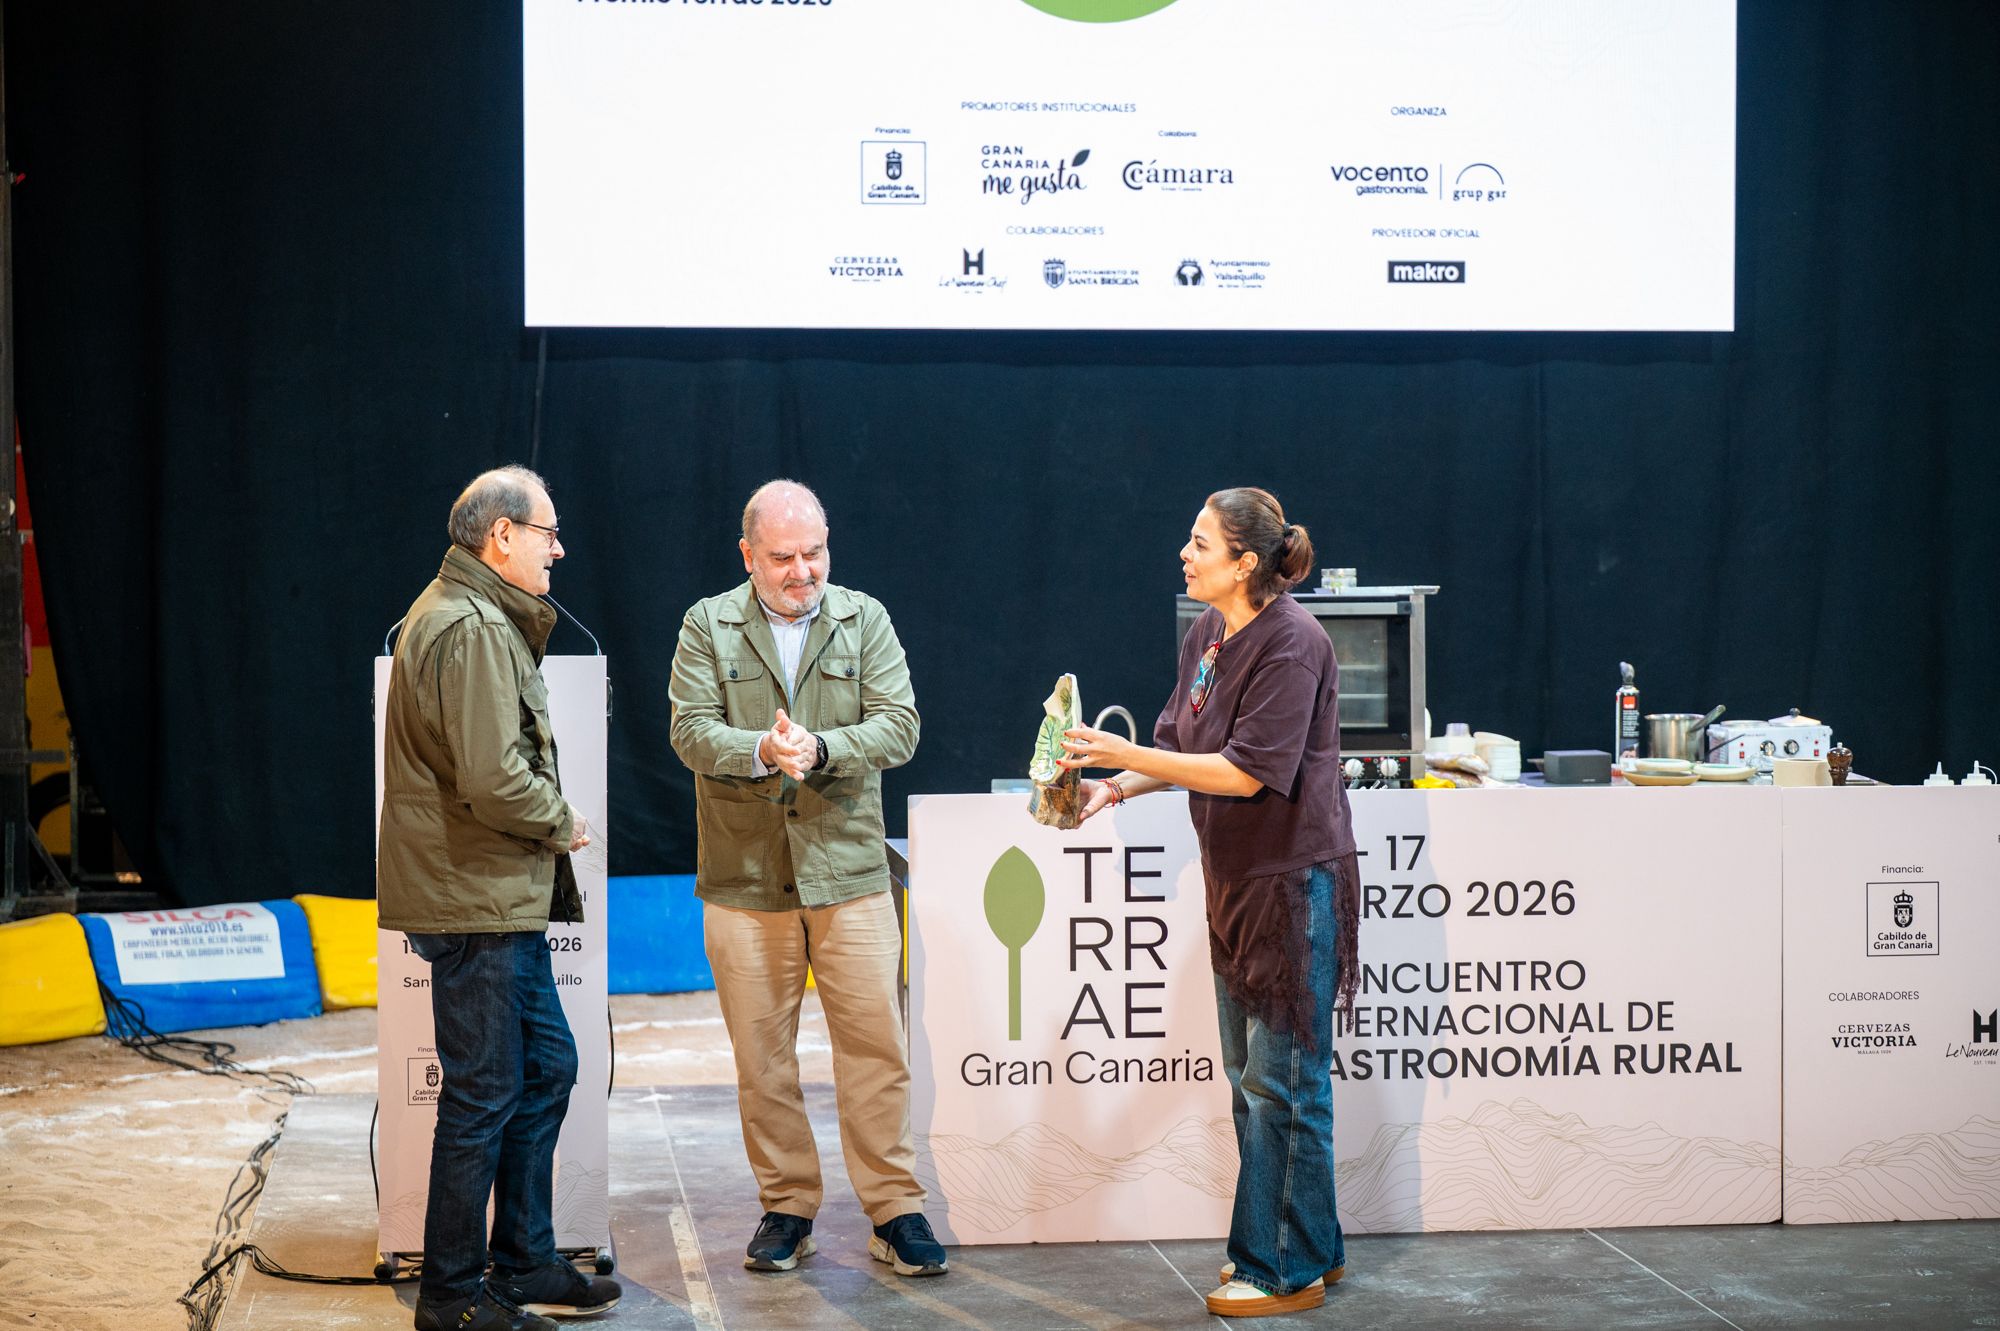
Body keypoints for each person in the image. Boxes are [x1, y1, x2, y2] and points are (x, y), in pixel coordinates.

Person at [1058, 486, 1359, 1319]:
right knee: (1253, 1077)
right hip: (1235, 882)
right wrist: (1114, 785)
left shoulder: (1293, 642)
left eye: (1200, 543)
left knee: (1282, 1081)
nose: (1184, 555)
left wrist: (1117, 751)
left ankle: (1279, 1266)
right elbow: (1180, 745)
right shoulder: (1208, 632)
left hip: (1291, 881)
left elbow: (1244, 771)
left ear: (1245, 562)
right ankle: (1311, 1243)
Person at [667, 479, 947, 1277]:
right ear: (748, 555)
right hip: (745, 878)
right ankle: (788, 1205)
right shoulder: (705, 623)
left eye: (814, 552)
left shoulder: (866, 617)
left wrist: (823, 747)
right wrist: (761, 749)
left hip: (849, 873)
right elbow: (690, 729)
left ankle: (894, 1208)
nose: (803, 571)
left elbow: (900, 724)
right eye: (784, 557)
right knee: (763, 1058)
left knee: (876, 1049)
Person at [378, 465, 622, 1331]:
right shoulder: (473, 626)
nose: (560, 548)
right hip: (473, 896)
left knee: (547, 1066)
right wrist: (563, 820)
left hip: (491, 895)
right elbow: (492, 778)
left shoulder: (469, 613)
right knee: (483, 1093)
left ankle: (522, 1260)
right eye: (548, 532)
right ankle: (451, 1296)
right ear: (502, 535)